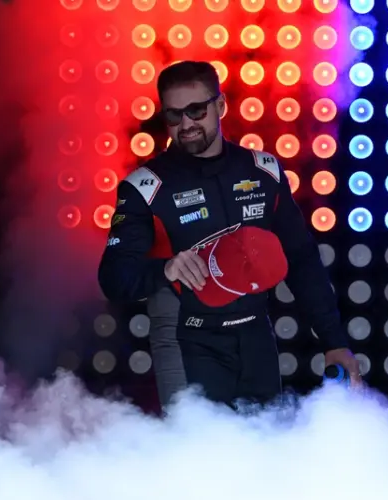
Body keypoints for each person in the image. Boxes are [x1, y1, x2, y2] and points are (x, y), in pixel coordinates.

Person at [98, 60, 361, 409]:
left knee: (264, 448)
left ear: (220, 106)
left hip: (255, 336)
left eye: (196, 110)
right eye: (174, 115)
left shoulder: (263, 170)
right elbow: (113, 278)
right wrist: (165, 269)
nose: (186, 124)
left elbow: (301, 259)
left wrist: (333, 341)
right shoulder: (145, 188)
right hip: (186, 338)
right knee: (199, 453)